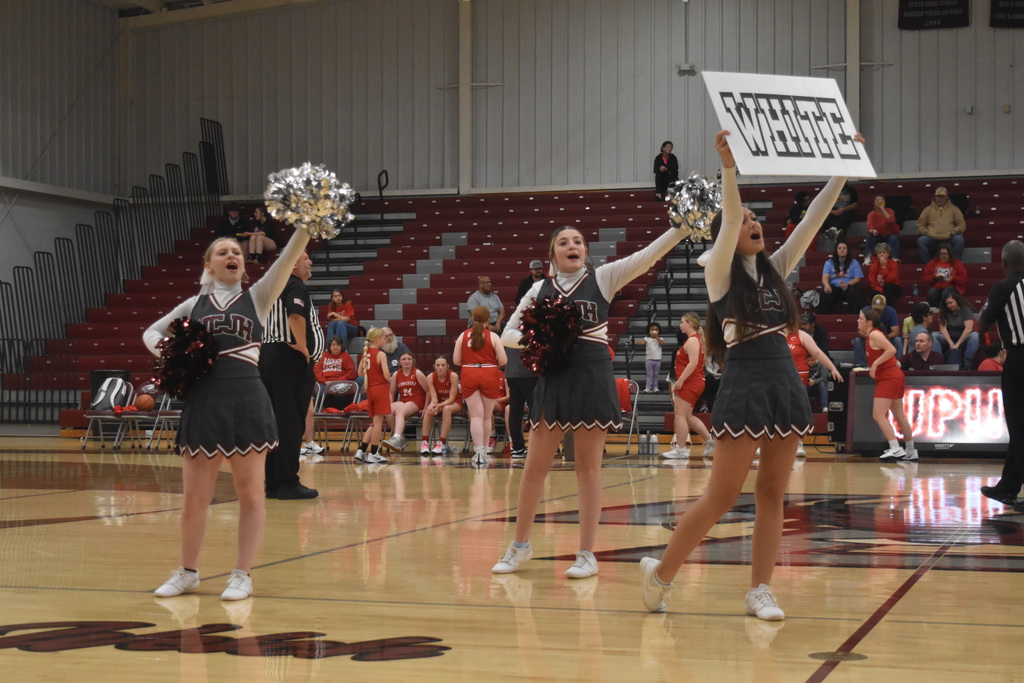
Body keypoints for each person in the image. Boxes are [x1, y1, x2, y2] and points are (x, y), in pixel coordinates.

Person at [638, 129, 864, 618]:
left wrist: (842, 168)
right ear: (728, 231)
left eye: (758, 219)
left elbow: (812, 220)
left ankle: (760, 589)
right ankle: (660, 576)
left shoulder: (777, 268)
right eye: (745, 221)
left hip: (784, 381)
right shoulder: (719, 274)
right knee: (721, 495)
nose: (754, 223)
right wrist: (729, 170)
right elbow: (731, 218)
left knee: (772, 494)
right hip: (744, 381)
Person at [493, 192, 697, 581]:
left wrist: (680, 228)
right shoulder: (539, 291)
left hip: (592, 374)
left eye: (578, 241)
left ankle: (586, 553)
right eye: (564, 242)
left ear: (586, 251)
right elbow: (507, 335)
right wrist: (544, 340)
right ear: (552, 255)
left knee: (588, 468)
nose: (573, 245)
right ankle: (520, 546)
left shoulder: (602, 278)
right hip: (555, 377)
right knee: (535, 466)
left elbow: (648, 256)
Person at [143, 223, 311, 601]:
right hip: (204, 401)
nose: (232, 256)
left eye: (236, 252)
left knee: (251, 494)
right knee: (194, 498)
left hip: (248, 399)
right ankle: (187, 572)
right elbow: (151, 333)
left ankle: (242, 574)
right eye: (222, 252)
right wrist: (176, 355)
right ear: (209, 264)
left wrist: (306, 224)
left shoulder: (259, 296)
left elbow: (286, 260)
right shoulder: (193, 305)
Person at [260, 249, 324, 500]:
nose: (310, 262)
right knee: (289, 423)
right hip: (288, 359)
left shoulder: (272, 287)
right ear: (293, 264)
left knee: (275, 424)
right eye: (306, 258)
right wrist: (303, 346)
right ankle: (287, 482)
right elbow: (295, 314)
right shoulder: (295, 285)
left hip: (269, 356)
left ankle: (274, 483)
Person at [977, 241, 1024, 508]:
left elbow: (982, 323)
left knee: (1019, 425)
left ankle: (1009, 487)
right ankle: (1007, 487)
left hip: (1018, 359)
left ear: (1004, 264)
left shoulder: (1003, 287)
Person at [858, 308, 917, 462]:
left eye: (860, 318)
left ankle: (895, 447)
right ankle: (911, 450)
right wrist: (884, 364)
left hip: (888, 378)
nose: (858, 321)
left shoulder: (875, 334)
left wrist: (876, 364)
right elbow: (894, 359)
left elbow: (892, 349)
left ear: (869, 322)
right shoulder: (873, 335)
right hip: (894, 376)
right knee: (899, 416)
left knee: (878, 415)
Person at [453, 306, 507, 464]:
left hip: (469, 373)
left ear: (472, 318)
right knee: (486, 415)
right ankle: (484, 450)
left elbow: (456, 361)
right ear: (488, 320)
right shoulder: (493, 336)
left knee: (475, 415)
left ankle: (477, 452)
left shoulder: (463, 335)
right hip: (489, 373)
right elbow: (503, 361)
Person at [662, 312, 713, 459]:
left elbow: (693, 363)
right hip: (695, 382)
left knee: (679, 416)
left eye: (682, 322)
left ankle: (681, 449)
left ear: (689, 324)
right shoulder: (694, 340)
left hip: (691, 383)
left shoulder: (692, 341)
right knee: (688, 416)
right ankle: (709, 440)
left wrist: (680, 381)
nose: (680, 325)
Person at [787, 325, 842, 455]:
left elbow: (817, 353)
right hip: (779, 376)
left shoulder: (801, 335)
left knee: (796, 410)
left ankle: (798, 443)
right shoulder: (775, 335)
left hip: (798, 378)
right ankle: (766, 443)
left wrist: (832, 368)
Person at [353, 327, 392, 464]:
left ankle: (362, 450)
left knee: (375, 422)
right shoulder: (381, 354)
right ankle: (374, 453)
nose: (384, 340)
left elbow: (359, 373)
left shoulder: (365, 353)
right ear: (376, 339)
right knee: (378, 423)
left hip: (370, 389)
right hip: (380, 389)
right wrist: (391, 378)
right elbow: (387, 376)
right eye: (382, 338)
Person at [382, 352, 429, 453]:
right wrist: (388, 405)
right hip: (404, 401)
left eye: (409, 359)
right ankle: (400, 438)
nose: (406, 361)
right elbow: (391, 393)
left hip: (417, 400)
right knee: (387, 409)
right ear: (399, 362)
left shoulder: (417, 373)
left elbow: (428, 392)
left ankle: (397, 437)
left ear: (413, 361)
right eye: (404, 359)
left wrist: (426, 408)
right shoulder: (396, 374)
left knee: (399, 411)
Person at [419, 355, 462, 455]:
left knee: (447, 409)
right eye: (438, 365)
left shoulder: (453, 376)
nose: (440, 367)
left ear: (448, 366)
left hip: (455, 403)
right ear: (434, 366)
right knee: (429, 408)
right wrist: (434, 406)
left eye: (443, 365)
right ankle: (424, 442)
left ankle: (441, 443)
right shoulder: (430, 377)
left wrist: (439, 406)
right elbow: (434, 398)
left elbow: (451, 399)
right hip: (440, 402)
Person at [917, 186, 966, 263]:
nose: (940, 198)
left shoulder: (954, 209)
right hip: (932, 239)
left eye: (942, 196)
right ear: (935, 197)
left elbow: (961, 224)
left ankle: (955, 264)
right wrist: (928, 233)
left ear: (947, 197)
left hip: (949, 238)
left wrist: (952, 232)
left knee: (959, 240)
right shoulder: (927, 209)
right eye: (938, 196)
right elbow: (920, 225)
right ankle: (928, 265)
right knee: (921, 241)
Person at [503, 345, 536, 459]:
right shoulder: (529, 330)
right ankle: (538, 446)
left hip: (511, 373)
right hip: (528, 374)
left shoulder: (509, 331)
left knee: (515, 411)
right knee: (536, 410)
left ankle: (517, 448)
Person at [854, 295, 900, 368]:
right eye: (875, 308)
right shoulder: (866, 311)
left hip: (886, 337)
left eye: (879, 309)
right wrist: (870, 338)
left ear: (885, 306)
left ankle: (897, 364)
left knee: (897, 340)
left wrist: (882, 339)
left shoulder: (891, 311)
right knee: (857, 340)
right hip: (869, 337)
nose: (877, 311)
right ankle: (859, 365)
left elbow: (896, 332)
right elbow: (860, 331)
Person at [819, 239, 864, 314]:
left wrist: (848, 284)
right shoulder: (829, 263)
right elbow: (825, 277)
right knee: (824, 293)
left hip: (848, 286)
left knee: (856, 292)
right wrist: (827, 285)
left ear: (847, 250)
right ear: (836, 251)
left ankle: (855, 317)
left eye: (844, 248)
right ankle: (826, 317)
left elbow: (858, 278)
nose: (842, 250)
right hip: (834, 287)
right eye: (839, 248)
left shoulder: (854, 262)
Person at [938, 288, 979, 370]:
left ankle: (967, 364)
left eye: (951, 303)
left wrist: (958, 344)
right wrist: (951, 343)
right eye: (947, 304)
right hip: (949, 338)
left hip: (963, 338)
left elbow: (968, 328)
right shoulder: (944, 311)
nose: (949, 306)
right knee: (934, 336)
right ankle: (938, 362)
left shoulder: (965, 310)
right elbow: (943, 329)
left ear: (957, 301)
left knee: (974, 336)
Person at [313, 335, 357, 407]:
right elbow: (316, 370)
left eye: (338, 345)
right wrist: (324, 381)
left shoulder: (346, 356)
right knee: (320, 392)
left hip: (340, 383)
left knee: (341, 395)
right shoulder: (324, 355)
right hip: (324, 383)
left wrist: (337, 382)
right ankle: (323, 413)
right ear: (329, 346)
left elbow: (351, 373)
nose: (335, 347)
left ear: (341, 346)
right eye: (333, 345)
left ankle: (341, 415)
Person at [922, 242, 968, 309]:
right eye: (941, 254)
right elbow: (925, 278)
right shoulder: (933, 263)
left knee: (946, 292)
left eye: (945, 254)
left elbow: (964, 278)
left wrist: (953, 278)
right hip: (937, 287)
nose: (943, 256)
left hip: (952, 287)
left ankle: (946, 309)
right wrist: (934, 276)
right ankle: (934, 309)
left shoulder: (956, 262)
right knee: (932, 292)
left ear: (950, 254)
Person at [864, 195, 900, 265]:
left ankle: (894, 258)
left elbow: (890, 221)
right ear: (874, 203)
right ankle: (867, 258)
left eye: (882, 200)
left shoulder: (890, 211)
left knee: (893, 238)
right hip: (878, 235)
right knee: (870, 236)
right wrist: (873, 230)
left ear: (885, 202)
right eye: (877, 200)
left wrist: (882, 209)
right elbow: (869, 227)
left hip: (890, 234)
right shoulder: (871, 214)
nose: (880, 201)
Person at [636, 322, 665, 392]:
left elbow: (662, 343)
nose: (654, 331)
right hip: (649, 360)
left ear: (659, 331)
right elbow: (642, 342)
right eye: (652, 330)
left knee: (655, 374)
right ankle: (648, 387)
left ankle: (655, 387)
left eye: (656, 330)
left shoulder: (660, 339)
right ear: (649, 332)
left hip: (657, 360)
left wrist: (657, 337)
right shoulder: (647, 339)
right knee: (649, 374)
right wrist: (637, 342)